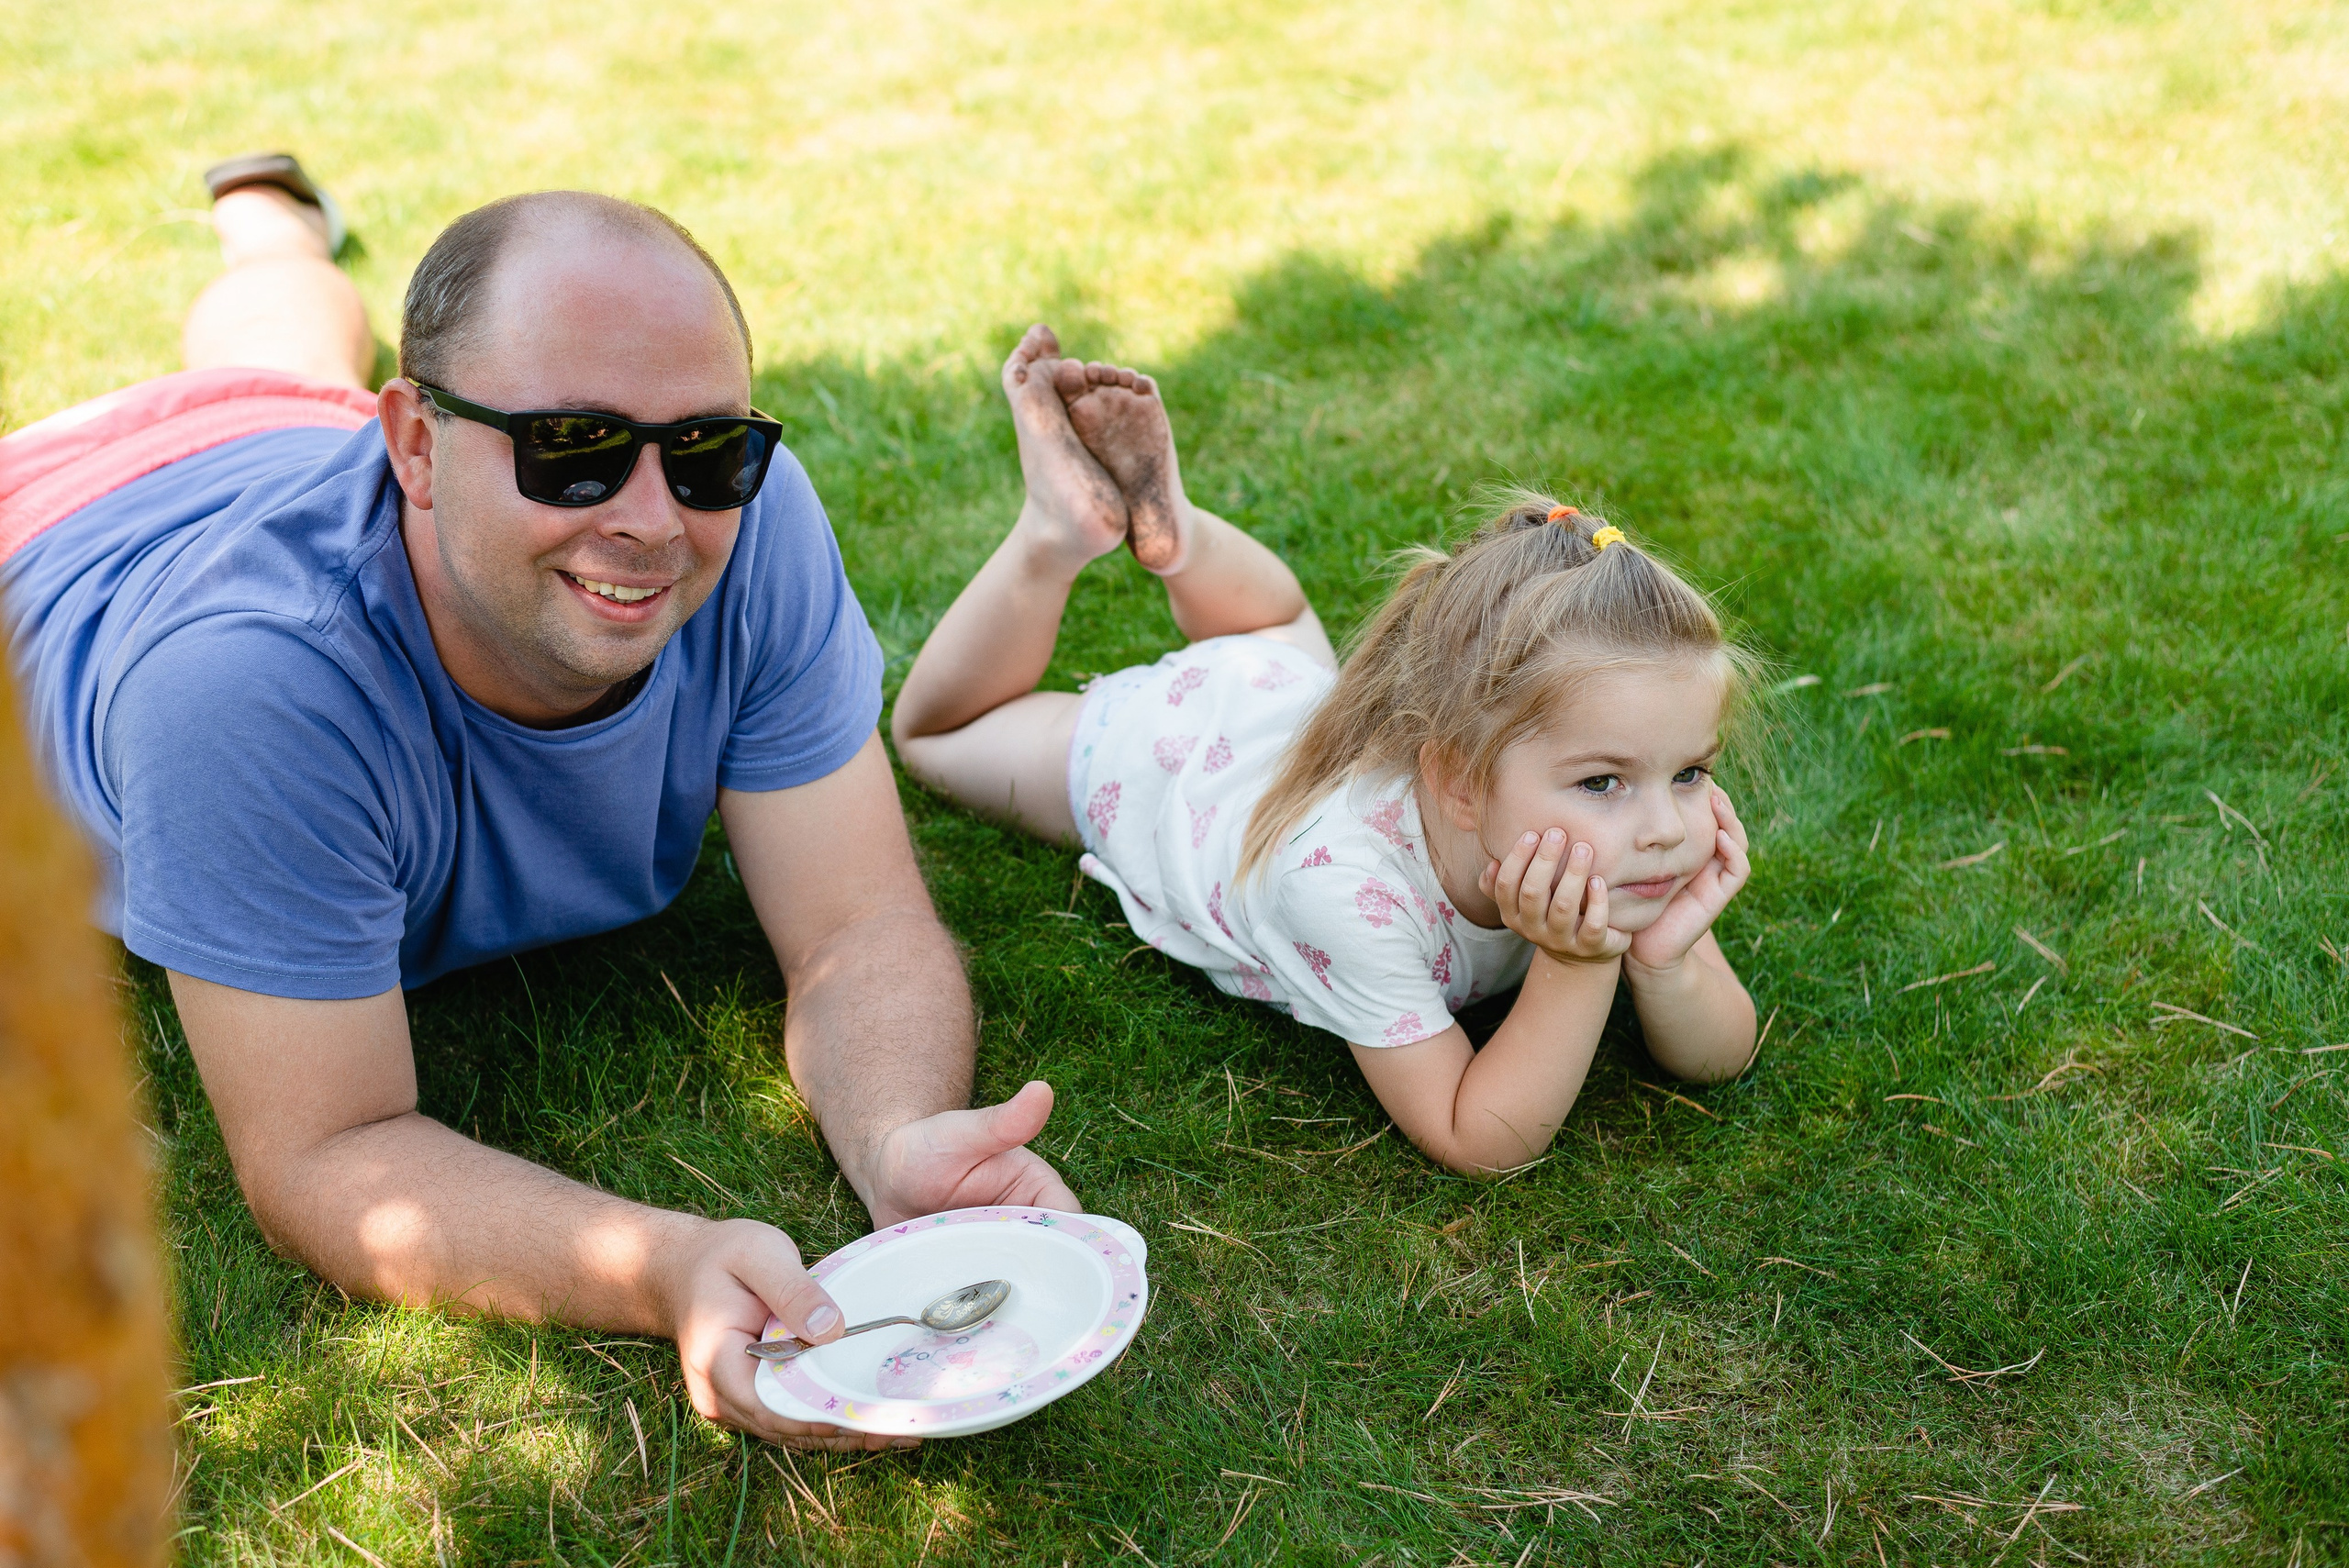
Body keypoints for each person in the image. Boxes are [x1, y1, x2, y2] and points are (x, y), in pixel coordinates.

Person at [0, 160, 1080, 1452]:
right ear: (415, 446)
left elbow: (857, 919)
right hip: (44, 529)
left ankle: (266, 215)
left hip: (273, 438)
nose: (650, 518)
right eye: (572, 449)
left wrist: (900, 1133)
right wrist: (662, 1266)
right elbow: (326, 1149)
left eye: (704, 448)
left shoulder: (743, 517)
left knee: (274, 332)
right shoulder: (246, 691)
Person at [895, 331, 1763, 1174]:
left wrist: (1668, 954)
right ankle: (1058, 532)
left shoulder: (1627, 841)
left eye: (1691, 771)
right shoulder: (1349, 888)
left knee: (1277, 630)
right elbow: (1477, 1137)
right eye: (1604, 780)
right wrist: (1579, 965)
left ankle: (1176, 534)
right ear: (1460, 779)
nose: (1664, 827)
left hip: (1294, 695)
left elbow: (1722, 1056)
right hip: (1168, 755)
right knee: (934, 737)